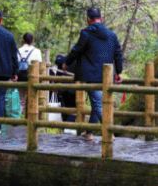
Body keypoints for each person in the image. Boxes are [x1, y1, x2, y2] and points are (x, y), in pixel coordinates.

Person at [64, 7, 123, 140]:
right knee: (97, 103)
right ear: (101, 19)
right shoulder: (111, 35)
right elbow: (118, 53)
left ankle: (108, 132)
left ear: (88, 19)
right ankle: (89, 132)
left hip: (91, 75)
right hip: (106, 76)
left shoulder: (86, 33)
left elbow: (76, 50)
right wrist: (119, 72)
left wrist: (67, 63)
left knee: (97, 104)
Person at [49, 53, 77, 126]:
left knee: (65, 108)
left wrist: (55, 85)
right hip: (74, 89)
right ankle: (69, 128)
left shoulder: (63, 61)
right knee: (73, 109)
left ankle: (66, 127)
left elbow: (58, 75)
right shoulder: (78, 60)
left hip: (63, 89)